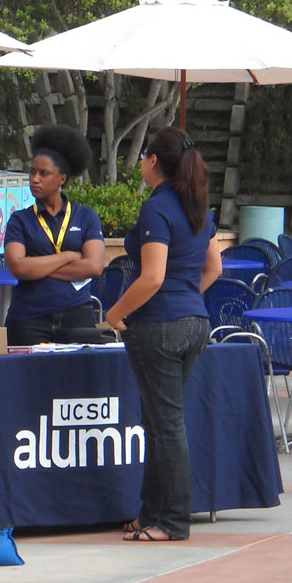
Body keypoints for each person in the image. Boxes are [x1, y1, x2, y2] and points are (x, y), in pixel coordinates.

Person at [105, 127, 222, 542]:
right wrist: (188, 298)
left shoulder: (157, 209)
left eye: (143, 157)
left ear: (153, 160)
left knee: (166, 425)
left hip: (159, 326)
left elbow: (152, 278)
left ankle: (173, 521)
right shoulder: (197, 206)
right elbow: (214, 269)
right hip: (195, 323)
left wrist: (114, 313)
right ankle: (150, 512)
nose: (140, 163)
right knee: (158, 422)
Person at [3, 124, 105, 345]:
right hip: (28, 317)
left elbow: (94, 267)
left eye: (43, 173)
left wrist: (37, 268)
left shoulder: (86, 217)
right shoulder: (19, 220)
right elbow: (18, 268)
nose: (35, 179)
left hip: (76, 313)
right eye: (32, 172)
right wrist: (68, 256)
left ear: (61, 179)